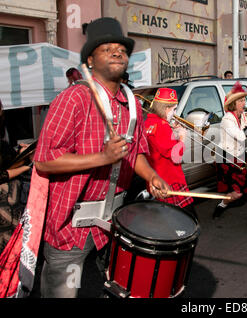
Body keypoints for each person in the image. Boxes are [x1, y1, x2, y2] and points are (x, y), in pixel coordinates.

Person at [33, 17, 169, 298]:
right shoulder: (74, 99)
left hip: (113, 224)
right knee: (64, 295)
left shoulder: (132, 104)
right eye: (107, 48)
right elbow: (45, 160)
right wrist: (102, 157)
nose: (117, 52)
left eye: (121, 48)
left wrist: (151, 175)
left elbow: (136, 152)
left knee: (118, 291)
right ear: (91, 60)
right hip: (71, 227)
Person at [213, 81, 247, 218]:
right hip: (227, 157)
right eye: (241, 100)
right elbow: (242, 136)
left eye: (244, 100)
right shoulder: (227, 119)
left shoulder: (242, 116)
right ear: (233, 103)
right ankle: (222, 205)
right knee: (237, 193)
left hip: (242, 154)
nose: (244, 103)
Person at [144, 87, 197, 218]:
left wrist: (172, 131)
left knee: (167, 220)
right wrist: (182, 137)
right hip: (171, 181)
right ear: (165, 108)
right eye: (173, 109)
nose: (174, 113)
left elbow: (160, 146)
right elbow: (175, 156)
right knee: (190, 220)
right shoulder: (162, 126)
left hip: (158, 178)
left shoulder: (148, 122)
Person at [0, 100, 32, 252]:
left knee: (11, 246)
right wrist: (25, 166)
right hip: (4, 208)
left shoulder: (2, 142)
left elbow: (9, 164)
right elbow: (2, 174)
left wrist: (22, 155)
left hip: (10, 206)